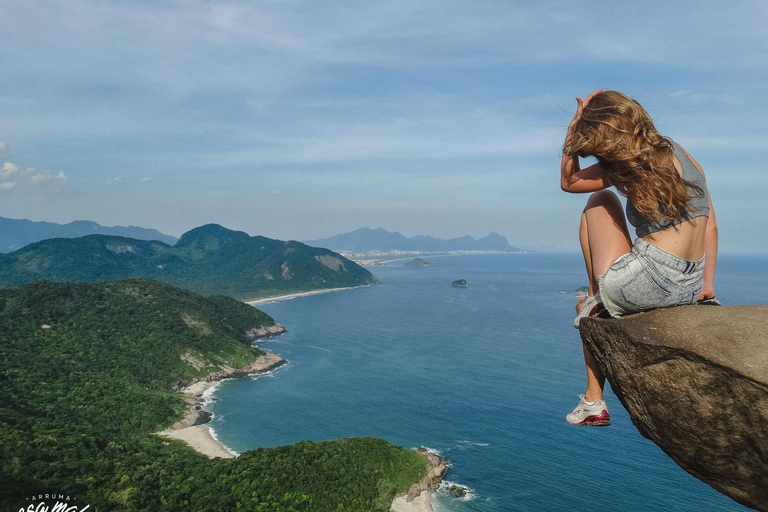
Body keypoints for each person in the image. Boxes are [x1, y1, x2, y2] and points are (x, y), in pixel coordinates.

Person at [560, 90, 719, 426]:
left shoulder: (625, 165)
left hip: (650, 279)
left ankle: (593, 397)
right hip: (691, 282)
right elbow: (711, 227)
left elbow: (569, 181)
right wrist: (705, 288)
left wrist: (573, 129)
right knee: (606, 204)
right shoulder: (682, 154)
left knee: (599, 202)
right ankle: (598, 300)